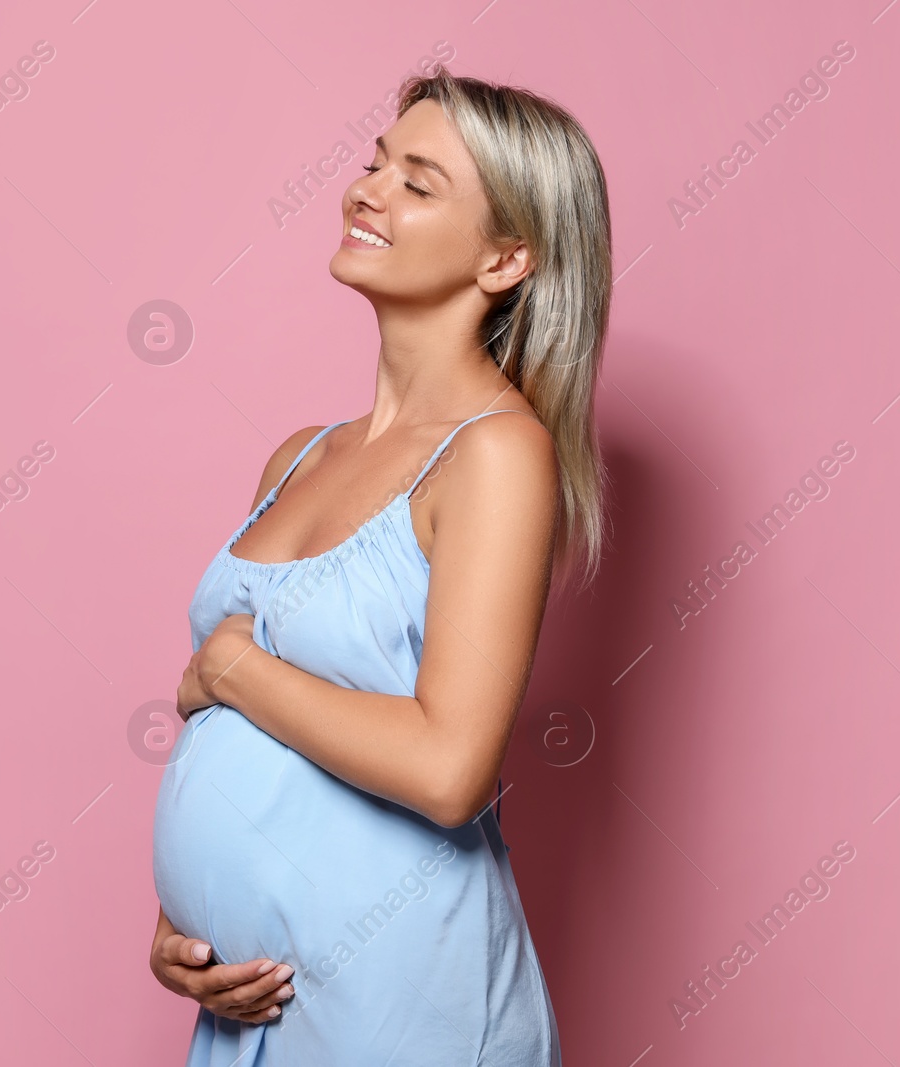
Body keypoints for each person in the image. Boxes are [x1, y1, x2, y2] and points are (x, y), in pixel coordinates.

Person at [150, 68, 612, 1065]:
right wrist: (181, 917)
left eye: (417, 181)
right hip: (252, 1011)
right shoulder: (302, 456)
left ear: (505, 257)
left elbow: (451, 769)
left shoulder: (495, 454)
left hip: (398, 1002)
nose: (365, 190)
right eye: (372, 164)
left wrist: (230, 669)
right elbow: (248, 745)